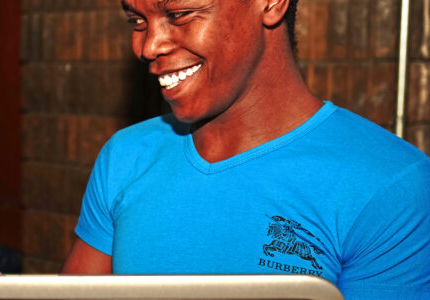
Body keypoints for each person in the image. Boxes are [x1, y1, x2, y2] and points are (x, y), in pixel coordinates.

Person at [63, 0, 430, 298]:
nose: (149, 46)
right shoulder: (126, 157)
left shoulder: (390, 185)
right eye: (137, 21)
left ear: (271, 3)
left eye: (179, 15)